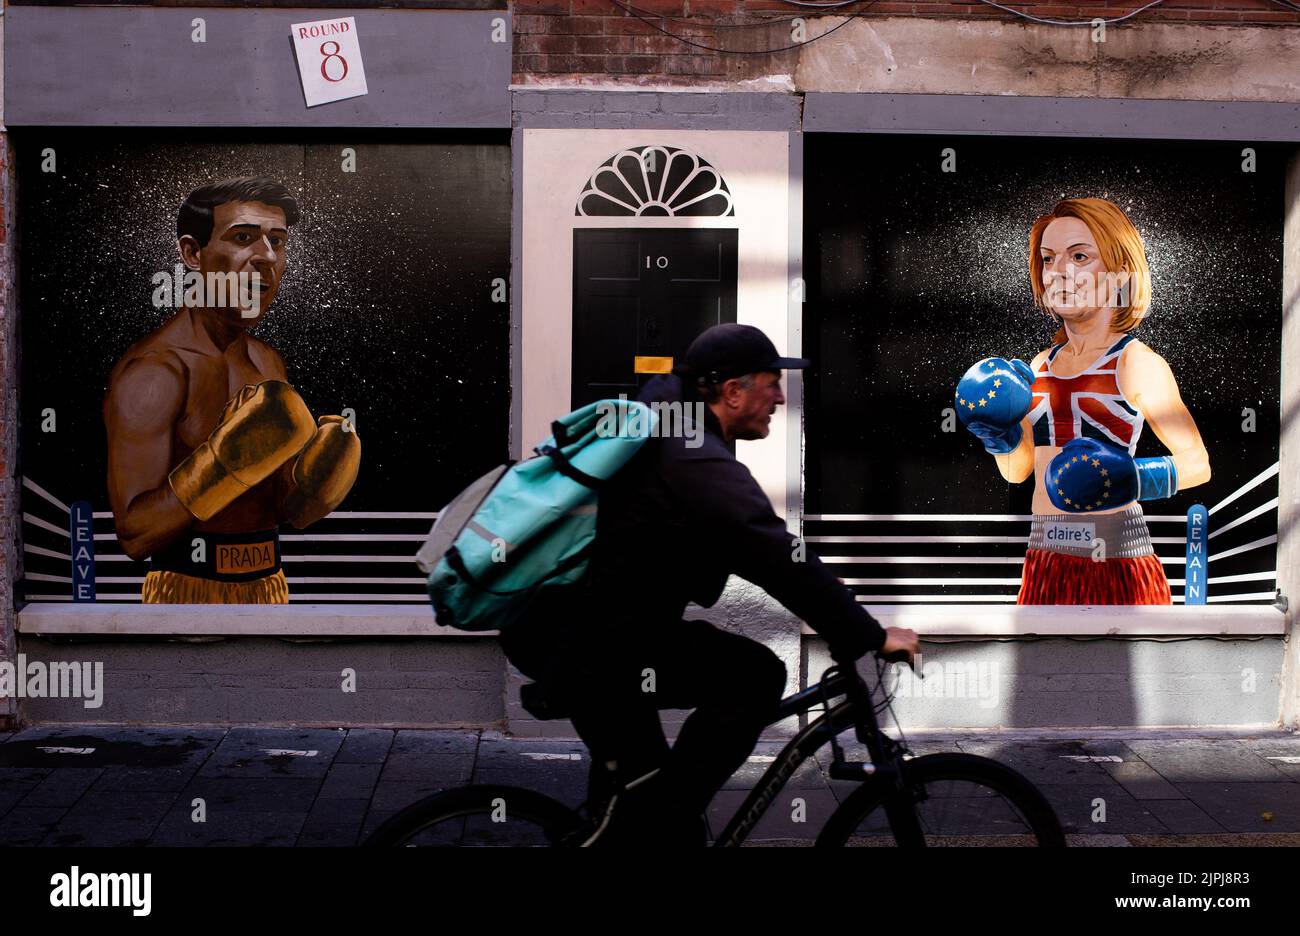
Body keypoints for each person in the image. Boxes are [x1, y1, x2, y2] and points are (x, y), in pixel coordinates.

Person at [501, 323, 919, 844]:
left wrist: (830, 598)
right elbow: (771, 552)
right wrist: (868, 633)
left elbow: (756, 548)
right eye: (771, 383)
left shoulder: (677, 432)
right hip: (587, 645)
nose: (780, 397)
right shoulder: (691, 454)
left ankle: (654, 821)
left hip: (592, 634)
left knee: (642, 789)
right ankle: (664, 821)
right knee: (753, 676)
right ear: (732, 391)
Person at [102, 176, 361, 603]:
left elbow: (282, 512)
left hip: (271, 588)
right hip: (183, 593)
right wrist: (221, 462)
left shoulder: (268, 363)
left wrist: (318, 484)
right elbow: (134, 534)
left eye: (277, 242)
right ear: (192, 253)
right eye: (243, 237)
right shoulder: (156, 372)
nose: (265, 256)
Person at [957, 198, 1210, 604]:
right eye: (1048, 258)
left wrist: (1126, 479)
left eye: (1079, 256)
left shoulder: (1136, 363)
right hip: (1045, 556)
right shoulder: (1039, 366)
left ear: (1119, 271)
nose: (1059, 272)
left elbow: (1197, 464)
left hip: (1117, 559)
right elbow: (1017, 471)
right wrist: (997, 435)